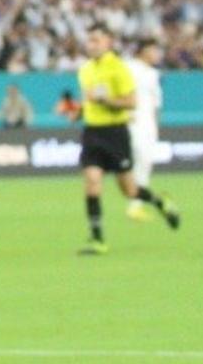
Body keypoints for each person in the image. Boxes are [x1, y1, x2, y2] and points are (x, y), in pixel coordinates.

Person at [75, 28, 180, 255]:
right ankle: (97, 239)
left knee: (129, 190)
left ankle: (160, 202)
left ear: (108, 42)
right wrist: (78, 111)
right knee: (92, 182)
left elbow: (131, 102)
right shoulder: (85, 70)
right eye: (89, 40)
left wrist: (105, 99)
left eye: (96, 40)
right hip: (92, 132)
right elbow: (88, 100)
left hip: (115, 132)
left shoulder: (119, 68)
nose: (91, 44)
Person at [125, 41, 165, 220]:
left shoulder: (154, 74)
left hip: (148, 124)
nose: (157, 54)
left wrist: (156, 125)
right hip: (132, 121)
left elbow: (156, 103)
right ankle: (135, 201)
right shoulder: (129, 67)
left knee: (145, 162)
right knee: (138, 159)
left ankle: (136, 204)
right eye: (154, 50)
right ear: (143, 51)